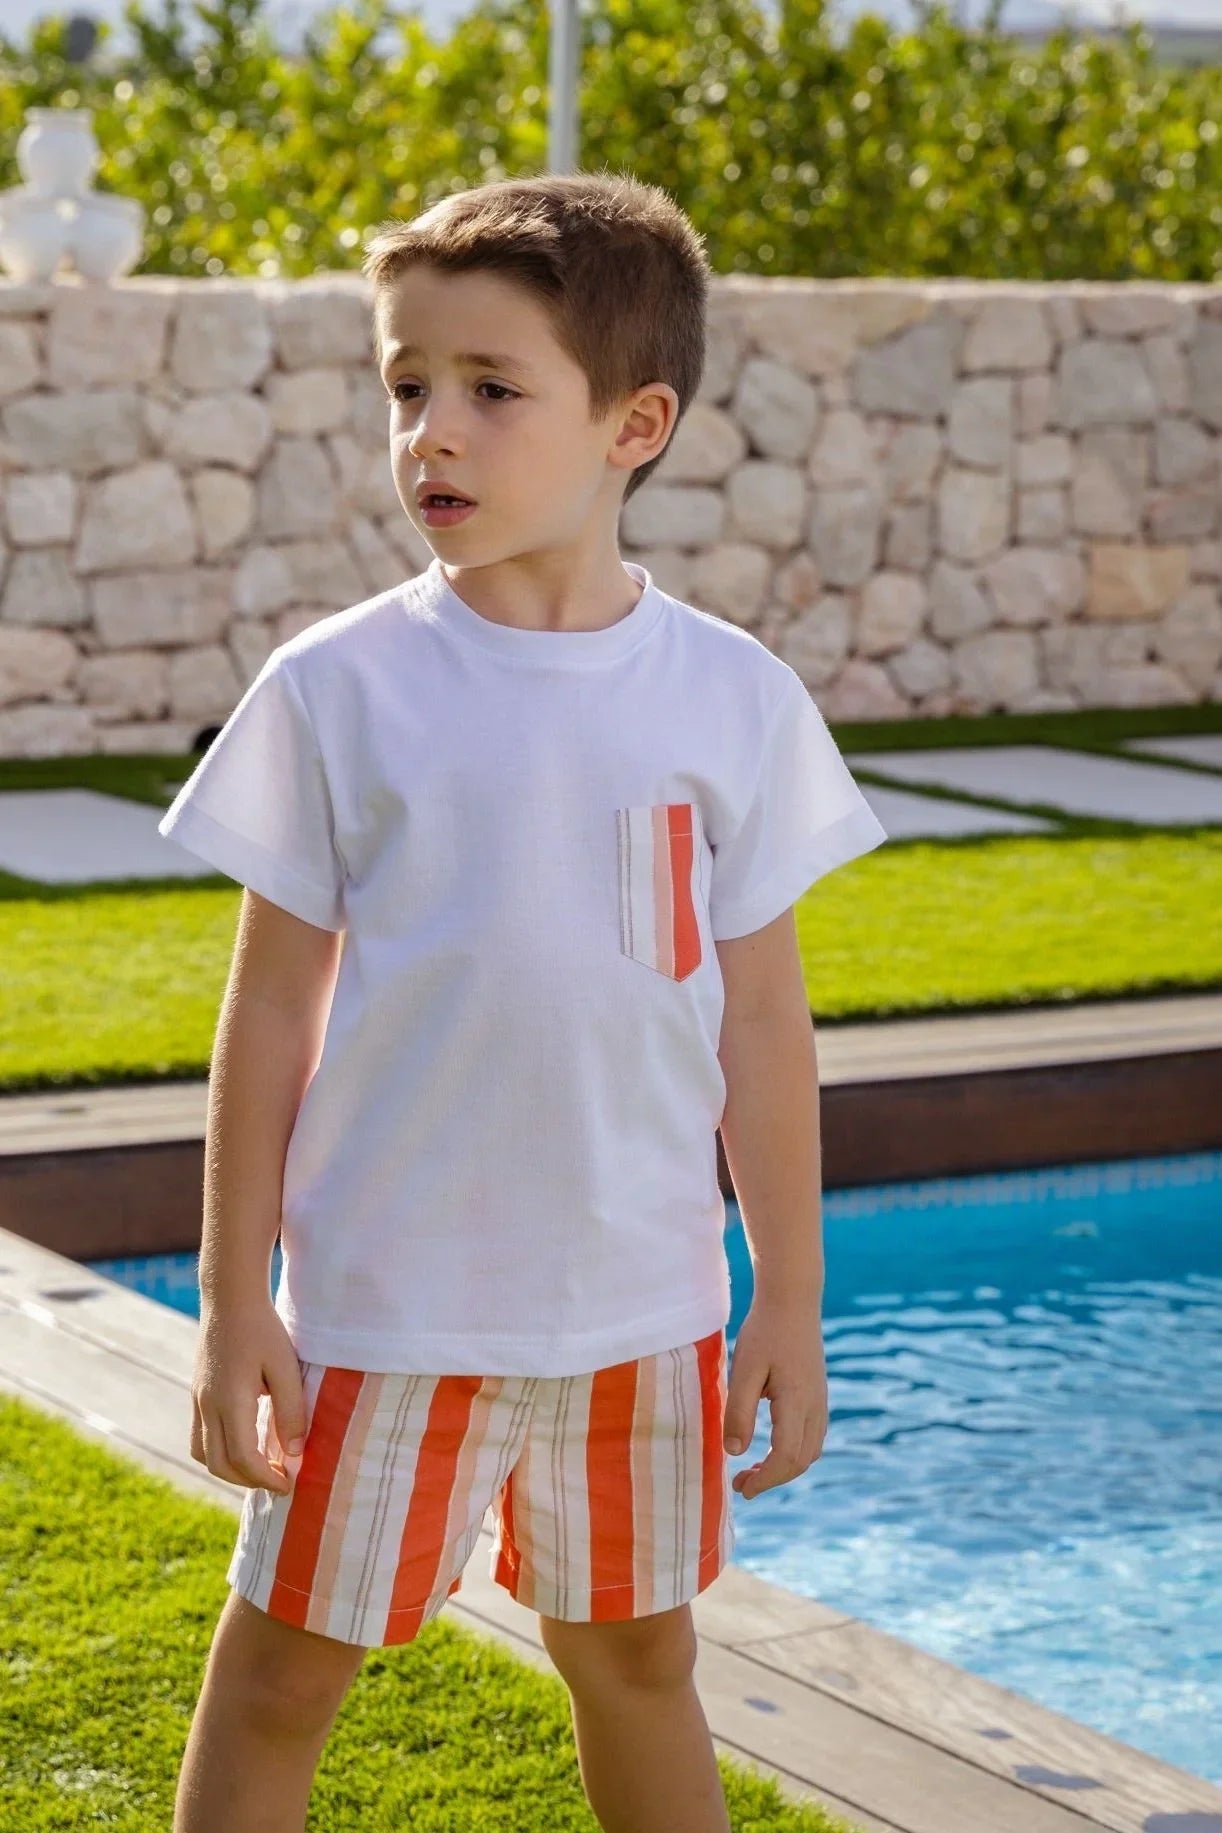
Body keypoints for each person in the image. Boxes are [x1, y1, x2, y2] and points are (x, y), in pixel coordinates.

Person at [162, 168, 887, 1833]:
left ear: (634, 424)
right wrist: (228, 1295)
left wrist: (786, 1294)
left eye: (493, 391)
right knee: (280, 1675)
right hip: (382, 1311)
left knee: (637, 1661)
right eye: (406, 385)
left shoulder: (731, 699)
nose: (434, 431)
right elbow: (268, 1014)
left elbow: (761, 1028)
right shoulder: (340, 688)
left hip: (641, 1313)